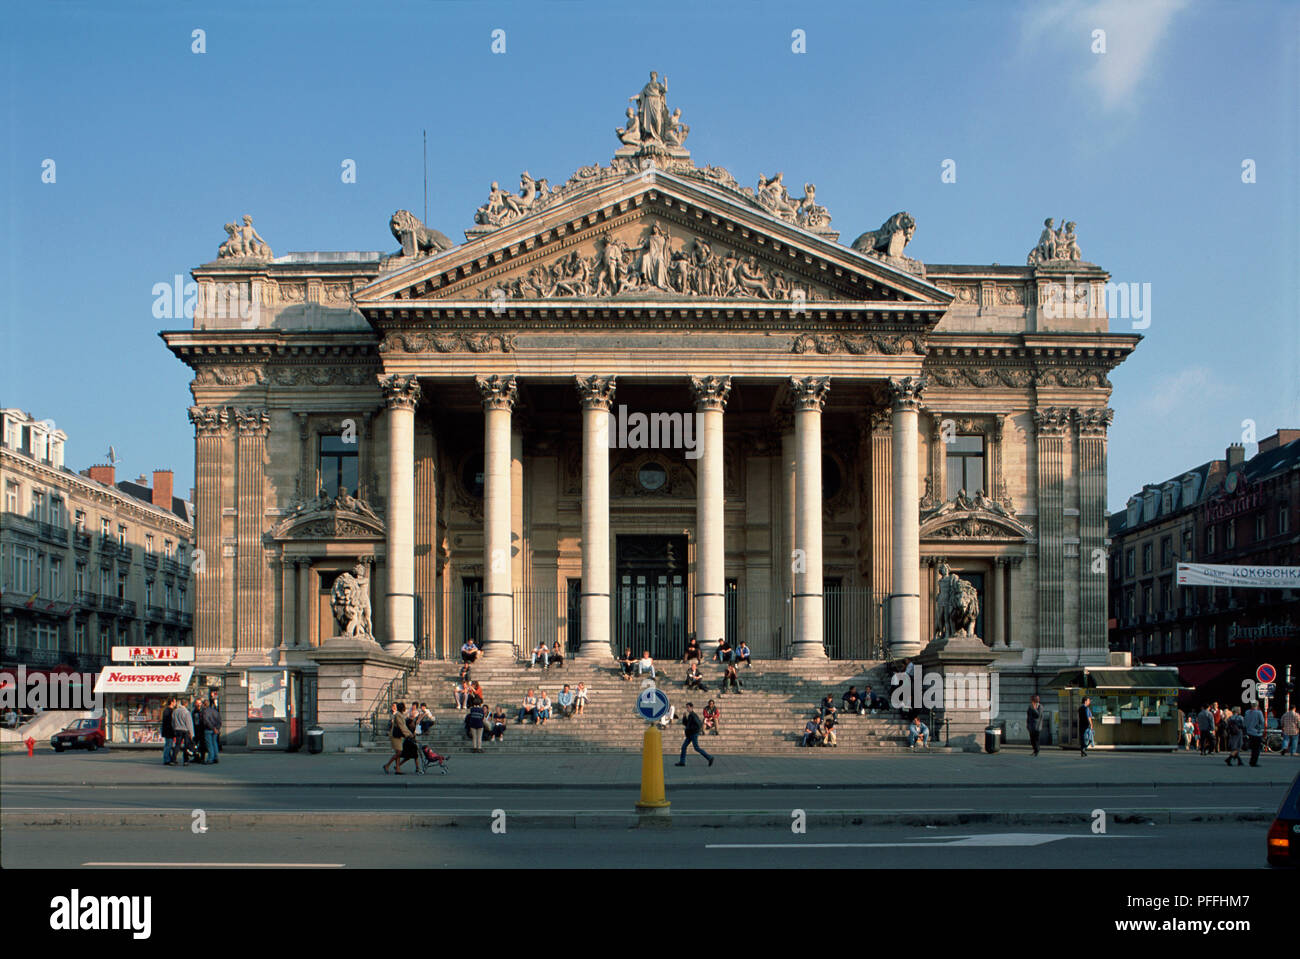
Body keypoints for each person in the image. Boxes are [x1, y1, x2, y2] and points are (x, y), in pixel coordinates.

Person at [674, 702, 714, 767]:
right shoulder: (690, 715)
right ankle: (682, 762)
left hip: (693, 734)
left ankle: (709, 758)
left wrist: (694, 731)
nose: (687, 709)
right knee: (684, 747)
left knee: (696, 748)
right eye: (686, 707)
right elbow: (686, 724)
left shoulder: (693, 715)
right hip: (690, 734)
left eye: (688, 707)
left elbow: (698, 724)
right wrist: (684, 717)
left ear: (692, 707)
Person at [384, 702, 413, 774]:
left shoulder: (400, 715)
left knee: (398, 752)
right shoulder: (398, 715)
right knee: (399, 752)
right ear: (402, 708)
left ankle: (397, 769)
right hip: (395, 736)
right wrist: (409, 734)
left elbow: (403, 726)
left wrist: (409, 733)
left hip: (398, 735)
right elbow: (402, 726)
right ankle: (387, 765)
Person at [172, 696, 195, 765]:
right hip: (185, 730)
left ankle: (173, 759)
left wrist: (174, 728)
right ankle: (185, 760)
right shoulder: (186, 712)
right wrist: (192, 733)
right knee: (186, 745)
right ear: (186, 704)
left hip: (178, 729)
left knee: (177, 745)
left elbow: (173, 721)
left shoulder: (175, 711)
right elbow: (189, 724)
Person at [200, 698, 221, 764]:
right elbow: (219, 721)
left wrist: (213, 728)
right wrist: (217, 728)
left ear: (204, 704)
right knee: (214, 743)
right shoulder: (215, 711)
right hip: (215, 730)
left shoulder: (205, 712)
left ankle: (210, 758)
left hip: (208, 729)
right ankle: (216, 757)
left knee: (209, 745)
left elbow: (206, 721)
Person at [1245, 701, 1266, 766]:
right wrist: (1260, 729)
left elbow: (1245, 721)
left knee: (1252, 748)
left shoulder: (1247, 712)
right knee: (1256, 749)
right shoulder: (1259, 712)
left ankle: (1251, 761)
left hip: (1249, 731)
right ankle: (1254, 762)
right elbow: (1262, 722)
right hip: (1256, 732)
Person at [161, 698, 176, 766]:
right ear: (172, 702)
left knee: (168, 744)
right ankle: (167, 759)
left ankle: (168, 758)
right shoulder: (169, 711)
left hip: (167, 730)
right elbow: (170, 722)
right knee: (168, 745)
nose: (175, 703)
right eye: (175, 701)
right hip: (169, 730)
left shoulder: (166, 710)